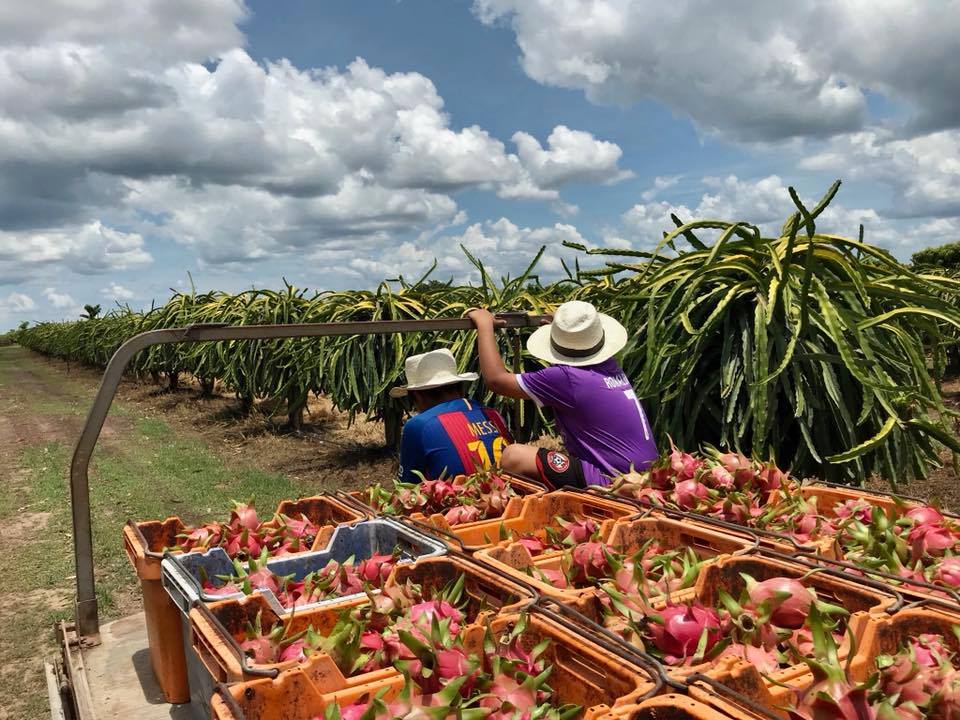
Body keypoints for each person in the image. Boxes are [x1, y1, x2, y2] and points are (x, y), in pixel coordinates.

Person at [467, 301, 657, 488]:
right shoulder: (608, 365)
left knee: (513, 456)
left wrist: (484, 325)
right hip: (644, 476)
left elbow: (496, 380)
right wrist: (569, 336)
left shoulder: (567, 378)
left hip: (613, 480)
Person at [390, 348, 512, 483]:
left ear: (417, 396)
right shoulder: (493, 415)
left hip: (458, 501)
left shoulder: (419, 425)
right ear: (461, 387)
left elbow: (407, 487)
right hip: (511, 496)